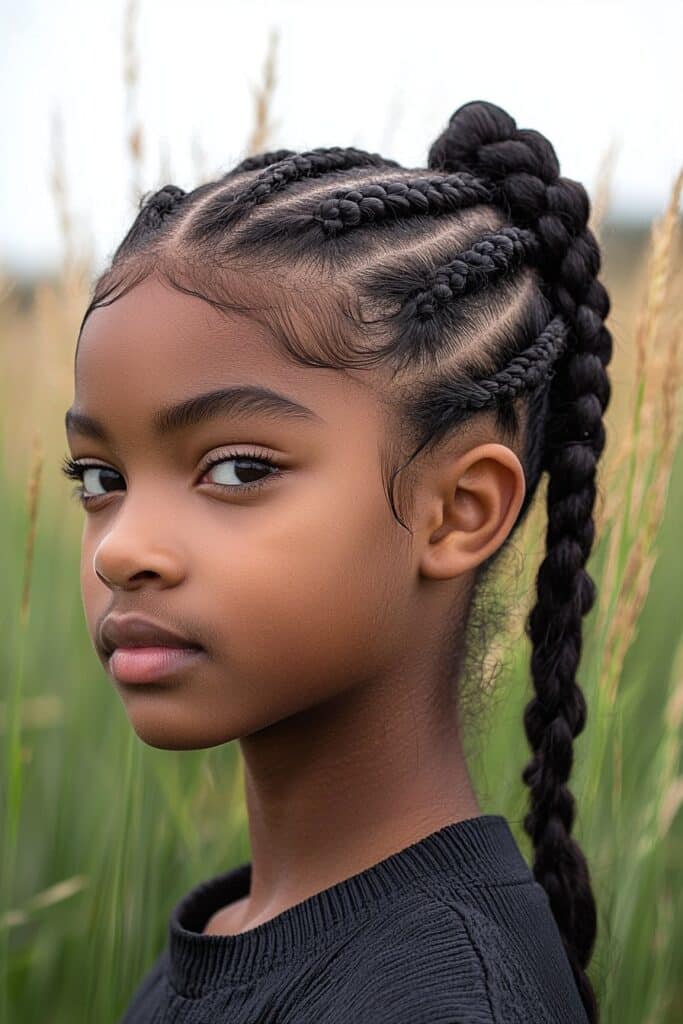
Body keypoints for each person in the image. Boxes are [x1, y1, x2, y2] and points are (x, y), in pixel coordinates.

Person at [62, 99, 611, 1023]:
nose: (121, 547)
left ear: (456, 512)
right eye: (98, 476)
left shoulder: (444, 1000)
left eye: (236, 470)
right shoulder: (229, 938)